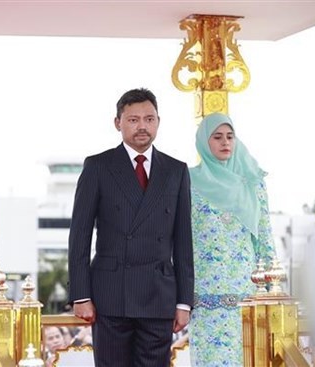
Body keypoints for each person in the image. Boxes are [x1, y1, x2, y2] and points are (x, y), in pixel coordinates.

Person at [68, 88, 194, 366]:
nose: (142, 126)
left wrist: (184, 302)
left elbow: (184, 242)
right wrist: (80, 294)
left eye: (149, 119)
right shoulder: (98, 166)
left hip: (158, 295)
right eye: (133, 119)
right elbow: (79, 236)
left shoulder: (176, 170)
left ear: (158, 122)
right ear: (118, 123)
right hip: (111, 295)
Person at [189, 112, 277, 366]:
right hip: (204, 296)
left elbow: (264, 235)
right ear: (204, 142)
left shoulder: (251, 182)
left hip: (247, 293)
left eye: (230, 137)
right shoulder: (188, 181)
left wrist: (273, 290)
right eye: (217, 137)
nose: (225, 142)